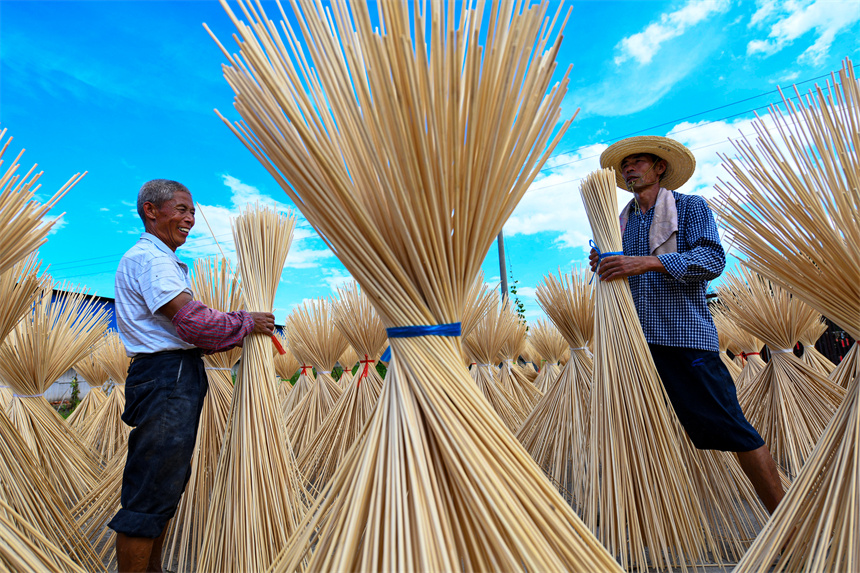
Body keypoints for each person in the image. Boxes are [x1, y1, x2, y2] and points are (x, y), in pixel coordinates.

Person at [590, 136, 784, 513]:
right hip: (636, 343)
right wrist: (604, 263)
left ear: (659, 167)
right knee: (638, 433)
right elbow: (616, 276)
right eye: (624, 164)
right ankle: (650, 523)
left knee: (732, 427)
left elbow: (711, 260)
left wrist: (645, 262)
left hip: (684, 338)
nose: (629, 168)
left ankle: (786, 521)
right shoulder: (620, 224)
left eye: (638, 161)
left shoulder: (688, 207)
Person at [108, 179, 275, 572]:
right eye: (181, 209)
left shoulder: (161, 259)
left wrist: (238, 326)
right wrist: (245, 322)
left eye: (193, 211)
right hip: (167, 378)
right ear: (151, 210)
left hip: (175, 376)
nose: (190, 217)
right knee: (149, 492)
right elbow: (194, 324)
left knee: (164, 487)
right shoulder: (150, 259)